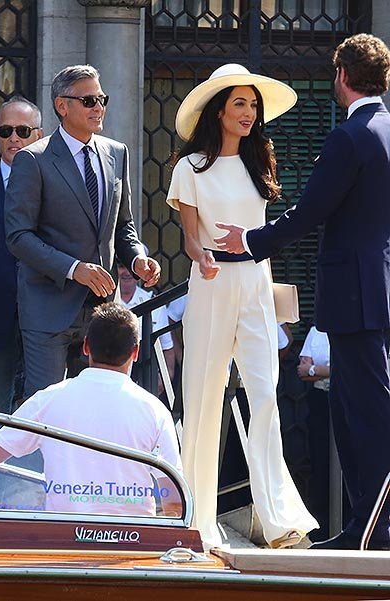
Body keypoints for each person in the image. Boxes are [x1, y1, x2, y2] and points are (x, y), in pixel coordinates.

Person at [214, 34, 390, 550]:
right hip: (374, 290)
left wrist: (250, 241)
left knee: (365, 414)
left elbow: (311, 210)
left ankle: (373, 529)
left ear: (342, 76)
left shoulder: (349, 137)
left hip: (357, 295)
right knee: (356, 411)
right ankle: (365, 527)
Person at [166, 63, 318, 549]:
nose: (249, 112)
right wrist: (202, 258)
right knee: (203, 400)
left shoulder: (259, 162)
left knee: (266, 395)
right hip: (211, 286)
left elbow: (263, 231)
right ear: (219, 110)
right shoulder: (189, 168)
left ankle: (278, 520)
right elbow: (190, 238)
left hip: (256, 283)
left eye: (253, 105)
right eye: (239, 103)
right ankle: (196, 520)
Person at [4, 65, 160, 400]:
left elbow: (123, 225)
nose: (98, 107)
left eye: (102, 99)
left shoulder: (117, 153)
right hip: (48, 309)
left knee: (97, 407)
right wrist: (75, 269)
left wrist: (137, 260)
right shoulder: (33, 159)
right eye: (89, 100)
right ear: (62, 106)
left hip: (101, 310)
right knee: (46, 410)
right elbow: (18, 236)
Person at [0, 303, 182, 517]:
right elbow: (175, 504)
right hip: (133, 536)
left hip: (63, 534)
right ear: (135, 352)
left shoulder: (48, 399)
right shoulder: (155, 411)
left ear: (86, 346)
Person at [0, 96, 43, 424]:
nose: (14, 138)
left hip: (46, 314)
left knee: (44, 415)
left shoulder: (57, 184)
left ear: (38, 135)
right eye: (5, 130)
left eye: (22, 131)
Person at [118, 260, 175, 393]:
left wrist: (166, 376)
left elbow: (167, 346)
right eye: (121, 267)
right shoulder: (102, 300)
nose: (127, 273)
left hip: (145, 380)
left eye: (131, 268)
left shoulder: (153, 302)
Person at [297, 326, 330, 540]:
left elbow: (349, 368)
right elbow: (302, 370)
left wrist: (314, 370)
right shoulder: (315, 331)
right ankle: (323, 526)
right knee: (320, 462)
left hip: (347, 398)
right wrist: (321, 370)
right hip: (320, 401)